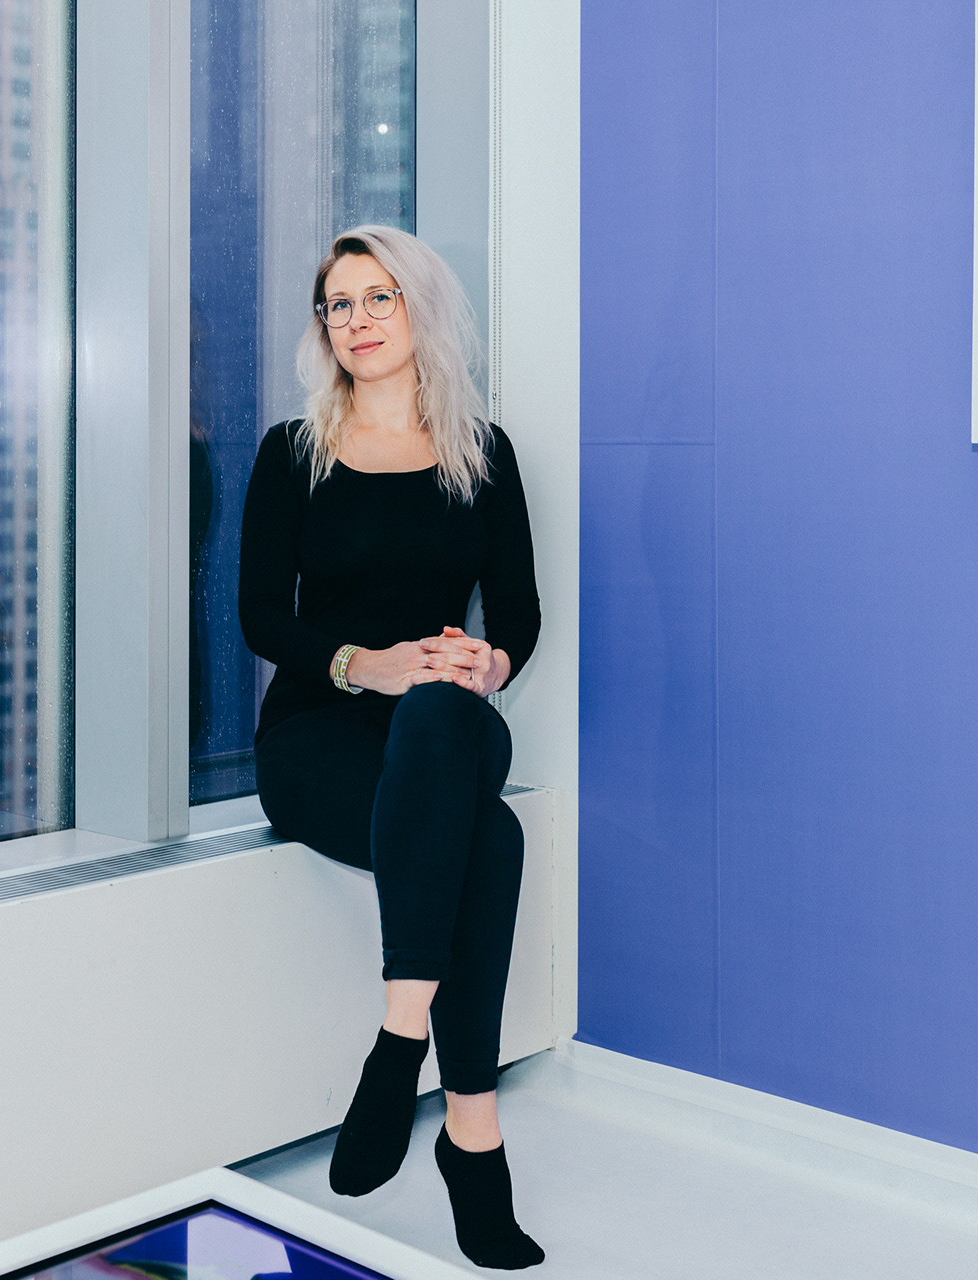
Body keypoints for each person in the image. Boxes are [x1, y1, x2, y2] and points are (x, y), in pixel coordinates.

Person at [238, 225, 544, 1270]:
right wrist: (364, 663)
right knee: (492, 840)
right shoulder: (293, 452)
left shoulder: (482, 454)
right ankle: (473, 1137)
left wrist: (488, 664)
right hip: (318, 736)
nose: (357, 320)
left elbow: (518, 611)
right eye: (339, 303)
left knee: (441, 708)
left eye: (380, 298)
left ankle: (399, 1033)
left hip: (445, 729)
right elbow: (260, 617)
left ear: (422, 307)